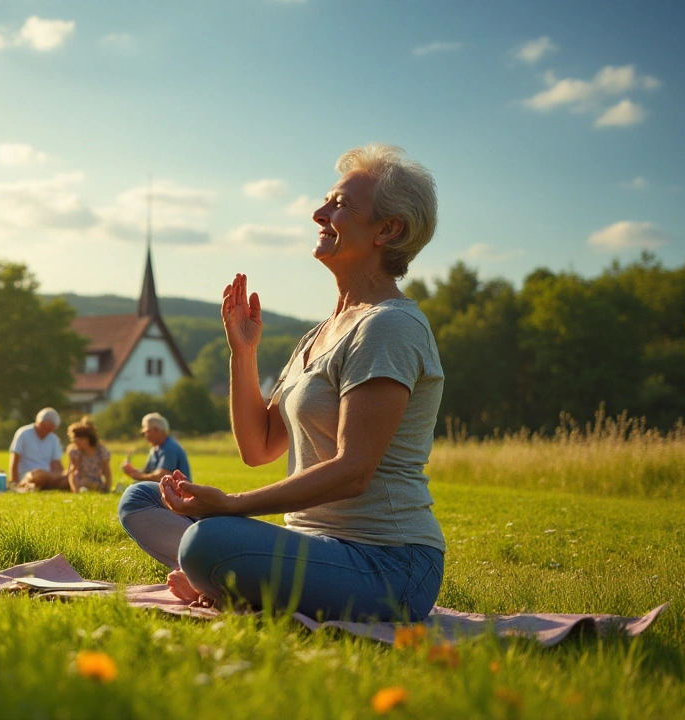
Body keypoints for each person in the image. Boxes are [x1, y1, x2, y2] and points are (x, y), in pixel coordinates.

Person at [117, 144, 446, 622]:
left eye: (340, 204)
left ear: (388, 229)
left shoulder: (388, 326)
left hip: (389, 564)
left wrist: (231, 507)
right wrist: (243, 352)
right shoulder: (319, 335)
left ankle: (219, 573)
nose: (319, 212)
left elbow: (354, 471)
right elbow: (258, 447)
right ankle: (224, 576)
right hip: (313, 547)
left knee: (211, 538)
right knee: (144, 498)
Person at [120, 413, 191, 482]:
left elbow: (161, 476)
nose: (145, 435)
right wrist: (132, 471)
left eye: (147, 431)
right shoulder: (155, 448)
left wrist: (136, 475)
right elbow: (147, 473)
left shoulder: (169, 447)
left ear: (156, 430)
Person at [10, 408, 65, 490]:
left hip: (47, 475)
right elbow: (15, 460)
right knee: (40, 476)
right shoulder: (24, 433)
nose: (47, 432)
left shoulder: (53, 439)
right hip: (28, 474)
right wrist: (15, 481)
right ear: (39, 423)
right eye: (45, 428)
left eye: (50, 430)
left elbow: (56, 464)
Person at [66, 417, 112, 493]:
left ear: (88, 439)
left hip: (96, 481)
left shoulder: (101, 451)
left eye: (79, 440)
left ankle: (100, 488)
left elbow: (107, 471)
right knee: (84, 482)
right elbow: (72, 472)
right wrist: (74, 489)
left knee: (90, 484)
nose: (76, 443)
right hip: (81, 481)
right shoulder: (76, 452)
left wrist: (108, 486)